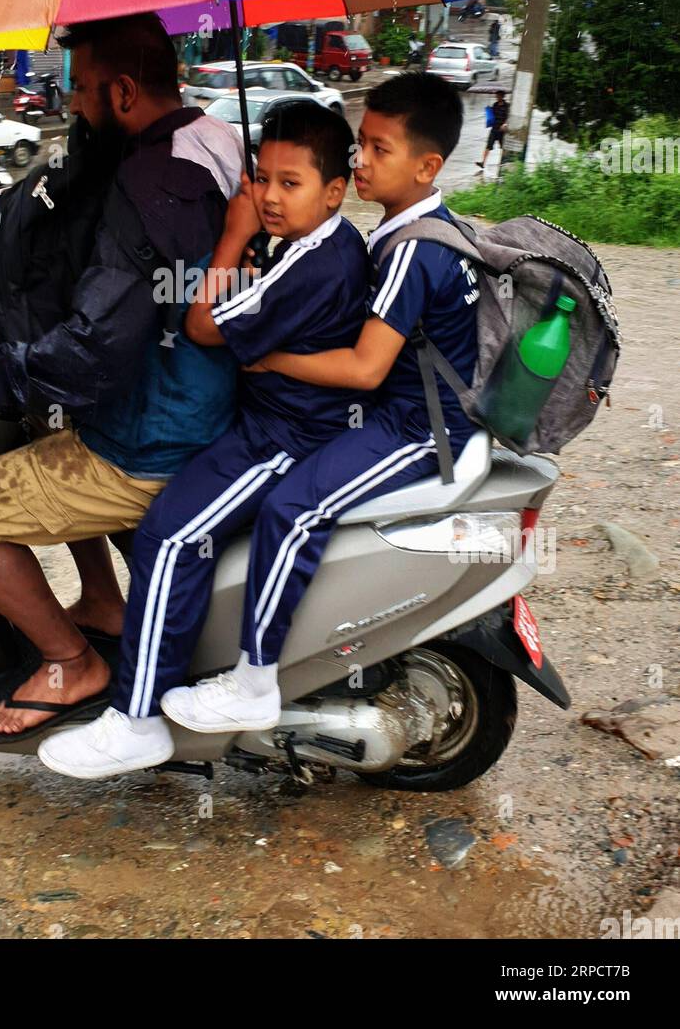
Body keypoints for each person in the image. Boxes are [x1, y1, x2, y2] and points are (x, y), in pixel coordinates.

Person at [0, 11, 244, 742]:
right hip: (212, 401)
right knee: (44, 422)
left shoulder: (148, 181)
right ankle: (102, 599)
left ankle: (70, 663)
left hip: (152, 441)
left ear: (124, 92)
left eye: (84, 90)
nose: (74, 106)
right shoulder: (214, 141)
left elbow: (98, 347)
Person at [135, 72, 480, 741]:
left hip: (418, 427)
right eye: (364, 146)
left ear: (428, 166)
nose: (363, 161)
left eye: (381, 149)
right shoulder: (408, 228)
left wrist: (273, 359)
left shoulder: (411, 249)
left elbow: (364, 367)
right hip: (399, 411)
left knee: (296, 508)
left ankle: (255, 681)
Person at [37, 100, 372, 779]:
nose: (272, 197)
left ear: (335, 191)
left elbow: (201, 326)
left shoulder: (312, 265)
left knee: (170, 534)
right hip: (270, 422)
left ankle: (137, 722)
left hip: (285, 438)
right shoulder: (321, 245)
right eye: (263, 179)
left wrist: (233, 234)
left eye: (291, 183)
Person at [477, 88, 509, 172]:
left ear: (502, 96)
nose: (497, 97)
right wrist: (488, 110)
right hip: (494, 129)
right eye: (496, 96)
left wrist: (505, 124)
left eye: (499, 96)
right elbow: (492, 116)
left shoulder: (507, 106)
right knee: (488, 145)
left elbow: (508, 116)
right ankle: (483, 162)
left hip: (502, 130)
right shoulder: (495, 105)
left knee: (503, 147)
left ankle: (504, 162)